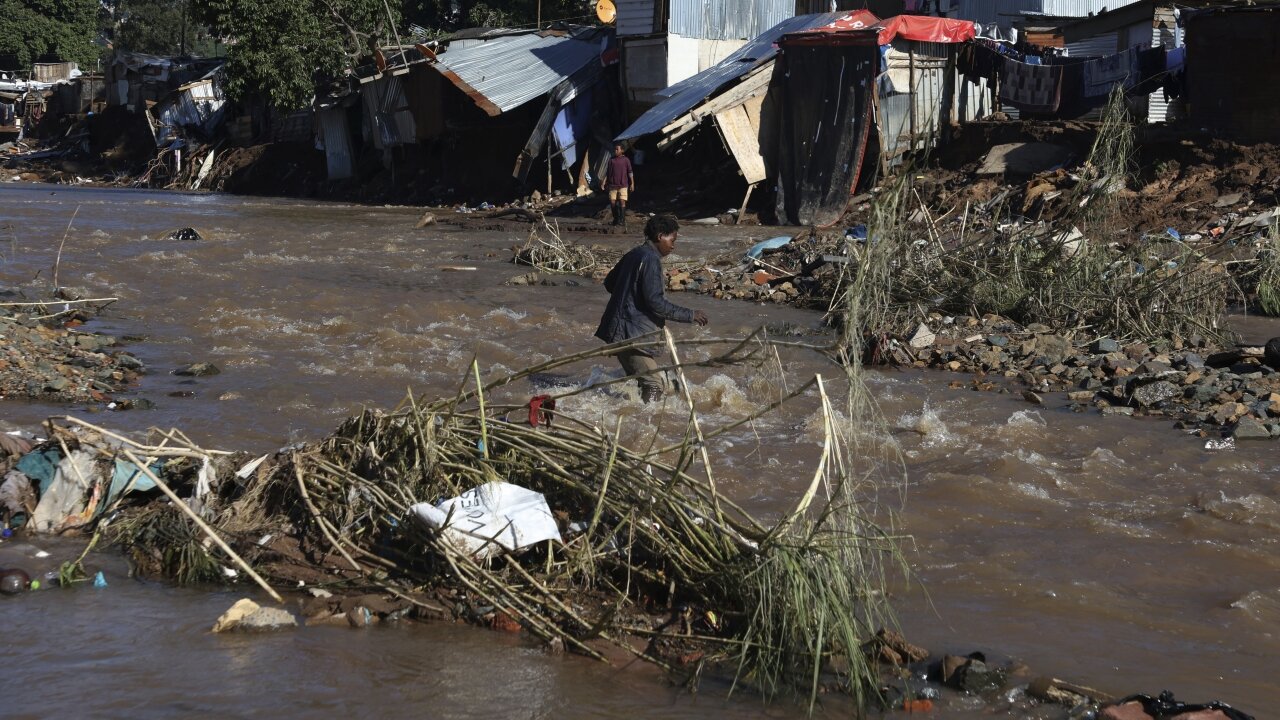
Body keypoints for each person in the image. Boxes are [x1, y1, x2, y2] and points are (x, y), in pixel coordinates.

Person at [595, 214, 708, 402]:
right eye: (672, 240)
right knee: (654, 384)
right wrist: (690, 315)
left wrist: (630, 296)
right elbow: (655, 302)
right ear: (660, 236)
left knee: (648, 381)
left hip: (620, 331)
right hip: (631, 335)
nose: (673, 246)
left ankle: (634, 414)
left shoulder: (634, 253)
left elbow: (610, 283)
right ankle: (649, 423)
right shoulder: (651, 260)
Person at [605, 144, 634, 228]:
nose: (615, 151)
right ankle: (616, 219)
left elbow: (630, 172)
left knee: (622, 201)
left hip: (623, 185)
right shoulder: (611, 160)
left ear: (622, 150)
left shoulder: (626, 160)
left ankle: (622, 220)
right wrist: (605, 182)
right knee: (612, 202)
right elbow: (608, 173)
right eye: (615, 149)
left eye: (617, 149)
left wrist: (632, 183)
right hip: (612, 185)